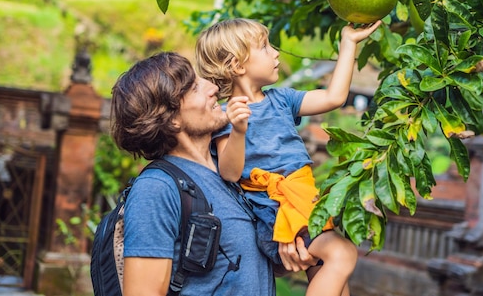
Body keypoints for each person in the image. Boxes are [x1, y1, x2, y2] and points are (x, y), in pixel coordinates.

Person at [195, 18, 382, 296]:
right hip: (277, 213)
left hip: (305, 202)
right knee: (342, 254)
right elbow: (230, 172)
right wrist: (238, 130)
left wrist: (349, 43)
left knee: (339, 286)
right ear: (237, 65)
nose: (276, 52)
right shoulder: (228, 114)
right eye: (264, 47)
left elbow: (333, 97)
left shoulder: (281, 100)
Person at [109, 51, 316, 296]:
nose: (213, 87)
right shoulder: (156, 189)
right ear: (172, 118)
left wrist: (289, 249)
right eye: (195, 87)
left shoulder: (233, 175)